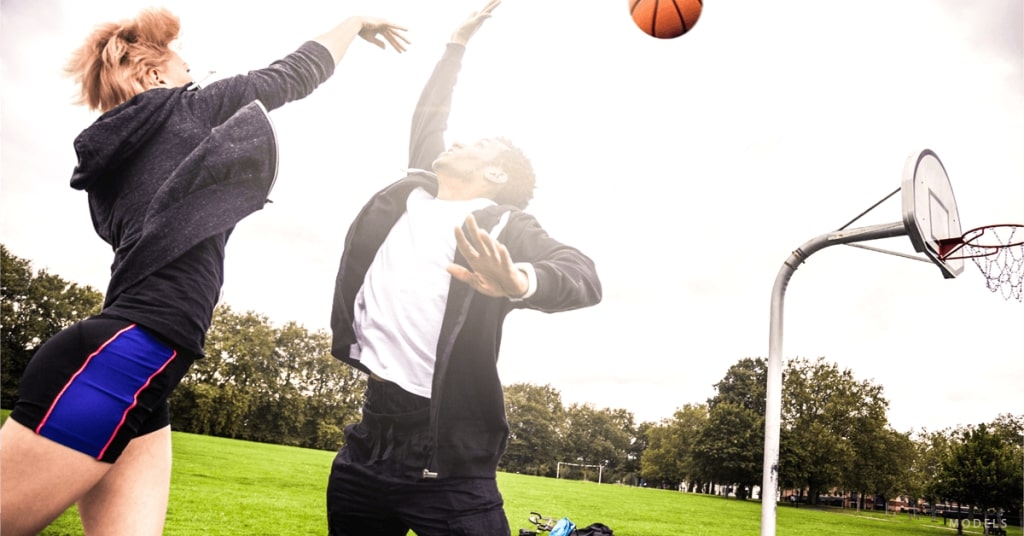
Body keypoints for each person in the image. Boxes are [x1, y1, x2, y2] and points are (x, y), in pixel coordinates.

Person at [0, 8, 408, 536]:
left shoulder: (112, 162)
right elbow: (295, 72)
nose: (198, 81)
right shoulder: (184, 110)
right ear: (154, 77)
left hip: (141, 356)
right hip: (128, 352)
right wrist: (353, 22)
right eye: (188, 70)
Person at [325, 1, 602, 534]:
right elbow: (430, 118)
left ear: (495, 172)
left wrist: (519, 280)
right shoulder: (414, 194)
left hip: (446, 459)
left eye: (476, 145)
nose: (455, 143)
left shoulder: (505, 224)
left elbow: (584, 274)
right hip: (367, 444)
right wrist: (456, 46)